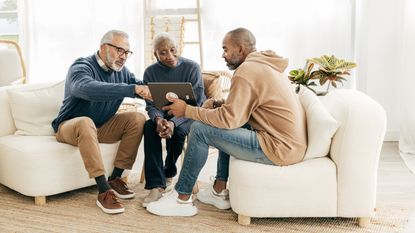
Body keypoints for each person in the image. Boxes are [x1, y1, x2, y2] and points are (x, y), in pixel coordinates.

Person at [146, 27, 307, 217]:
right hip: (287, 143)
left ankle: (181, 198)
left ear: (239, 49)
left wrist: (188, 110)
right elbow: (244, 108)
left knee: (199, 129)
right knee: (217, 121)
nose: (223, 55)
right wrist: (217, 103)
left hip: (278, 147)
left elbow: (229, 119)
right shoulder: (264, 65)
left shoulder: (246, 70)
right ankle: (219, 190)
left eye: (225, 49)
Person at [51, 30, 151, 214]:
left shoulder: (123, 72)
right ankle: (104, 190)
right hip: (70, 127)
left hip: (101, 127)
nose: (124, 57)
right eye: (120, 50)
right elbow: (87, 89)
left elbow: (142, 87)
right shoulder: (81, 66)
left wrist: (167, 92)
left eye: (127, 53)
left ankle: (116, 178)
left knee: (137, 118)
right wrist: (131, 89)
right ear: (104, 47)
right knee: (85, 122)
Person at [142, 33, 205, 207]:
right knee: (149, 127)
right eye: (163, 53)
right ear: (155, 55)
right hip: (164, 115)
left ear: (178, 48)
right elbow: (150, 104)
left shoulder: (192, 68)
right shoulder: (150, 73)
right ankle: (156, 184)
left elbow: (197, 103)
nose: (170, 56)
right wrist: (158, 120)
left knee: (178, 132)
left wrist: (172, 123)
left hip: (190, 115)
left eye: (172, 49)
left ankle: (169, 171)